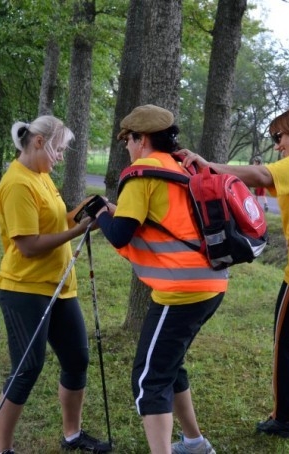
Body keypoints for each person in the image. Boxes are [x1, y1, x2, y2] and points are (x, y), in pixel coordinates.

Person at [180, 107, 289, 445]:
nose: (278, 146)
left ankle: (286, 418)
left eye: (280, 137)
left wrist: (207, 166)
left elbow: (260, 175)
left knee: (286, 341)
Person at [89, 104, 227, 454]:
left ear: (143, 138)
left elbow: (121, 234)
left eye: (128, 139)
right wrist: (112, 212)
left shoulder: (140, 173)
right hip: (212, 283)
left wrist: (101, 212)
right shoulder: (178, 167)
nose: (126, 146)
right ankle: (194, 443)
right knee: (169, 363)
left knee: (149, 379)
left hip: (180, 290)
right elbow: (157, 222)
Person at [0, 116, 112, 454]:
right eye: (58, 149)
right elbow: (28, 245)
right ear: (40, 142)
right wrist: (77, 231)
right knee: (27, 368)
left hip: (60, 288)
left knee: (77, 359)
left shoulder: (41, 176)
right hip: (24, 290)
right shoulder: (18, 184)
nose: (60, 157)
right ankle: (3, 450)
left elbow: (57, 221)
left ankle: (72, 435)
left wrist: (86, 213)